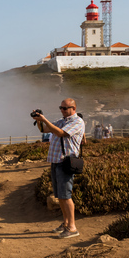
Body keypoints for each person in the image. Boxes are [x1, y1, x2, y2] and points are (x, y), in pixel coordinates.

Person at [32, 98, 85, 239]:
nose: (62, 110)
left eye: (65, 108)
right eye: (61, 107)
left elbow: (61, 133)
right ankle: (66, 223)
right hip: (56, 161)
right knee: (60, 195)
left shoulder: (77, 122)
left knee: (66, 195)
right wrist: (39, 120)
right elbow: (45, 129)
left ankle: (72, 228)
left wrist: (44, 119)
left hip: (66, 162)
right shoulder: (62, 120)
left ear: (74, 108)